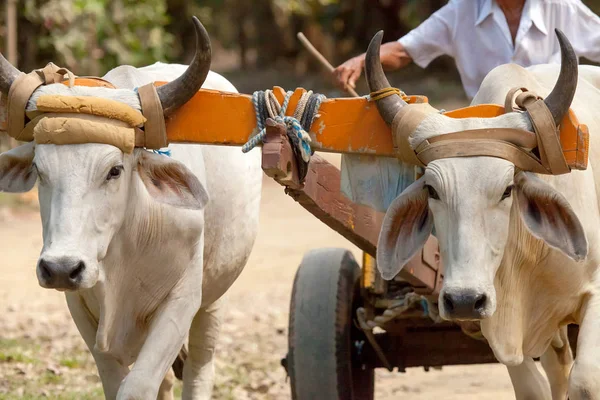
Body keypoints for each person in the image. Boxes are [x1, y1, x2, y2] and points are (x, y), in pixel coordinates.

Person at [333, 0, 600, 99]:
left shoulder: (562, 7)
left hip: (554, 125)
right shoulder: (460, 11)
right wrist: (360, 60)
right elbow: (404, 51)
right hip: (486, 130)